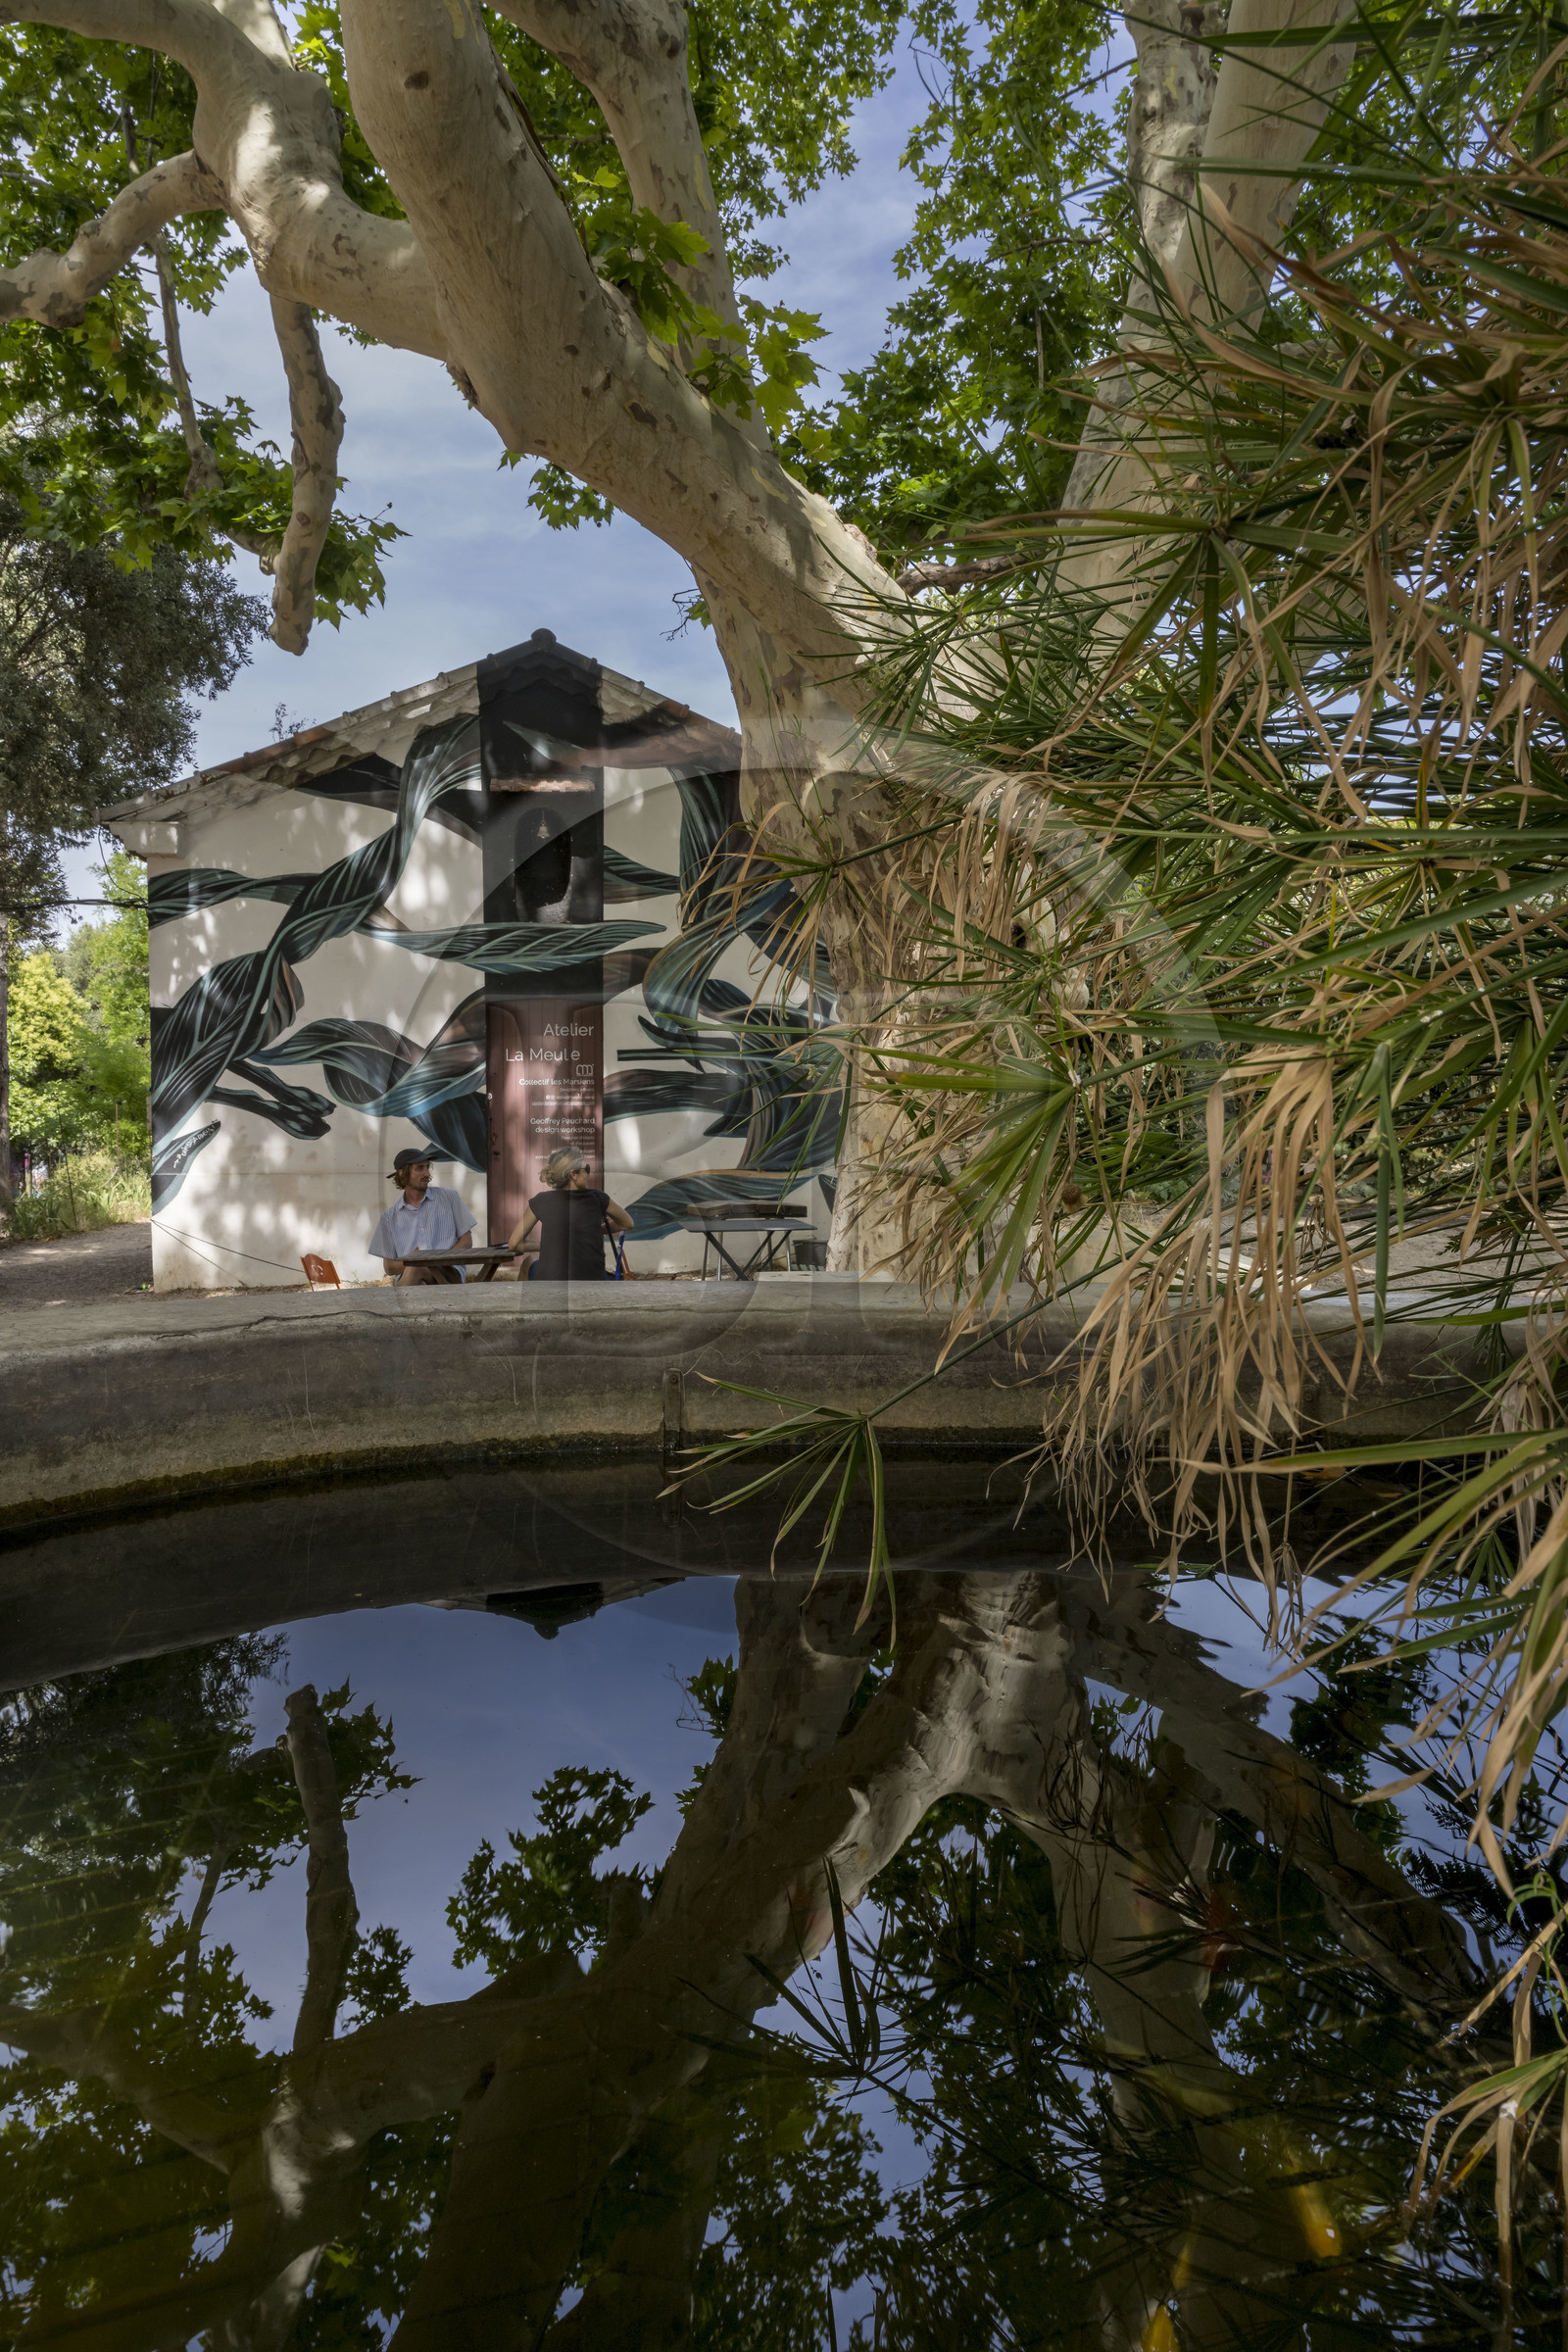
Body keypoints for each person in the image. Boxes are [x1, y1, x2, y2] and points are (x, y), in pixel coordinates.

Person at [509, 1146, 632, 1281]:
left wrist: (544, 1246)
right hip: (593, 1282)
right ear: (573, 1174)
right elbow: (627, 1223)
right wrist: (597, 1230)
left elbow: (514, 1244)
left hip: (551, 1284)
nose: (588, 1174)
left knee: (529, 1262)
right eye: (587, 1169)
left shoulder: (541, 1201)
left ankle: (531, 1295)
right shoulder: (598, 1198)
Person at [369, 1150, 476, 1285]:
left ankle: (397, 1297)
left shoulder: (449, 1197)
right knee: (415, 1269)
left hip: (449, 1273)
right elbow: (389, 1267)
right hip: (410, 1277)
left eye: (427, 1167)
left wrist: (439, 1260)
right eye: (420, 1168)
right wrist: (412, 1261)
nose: (427, 1174)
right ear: (402, 1173)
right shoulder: (389, 1217)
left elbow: (467, 1241)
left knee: (415, 1268)